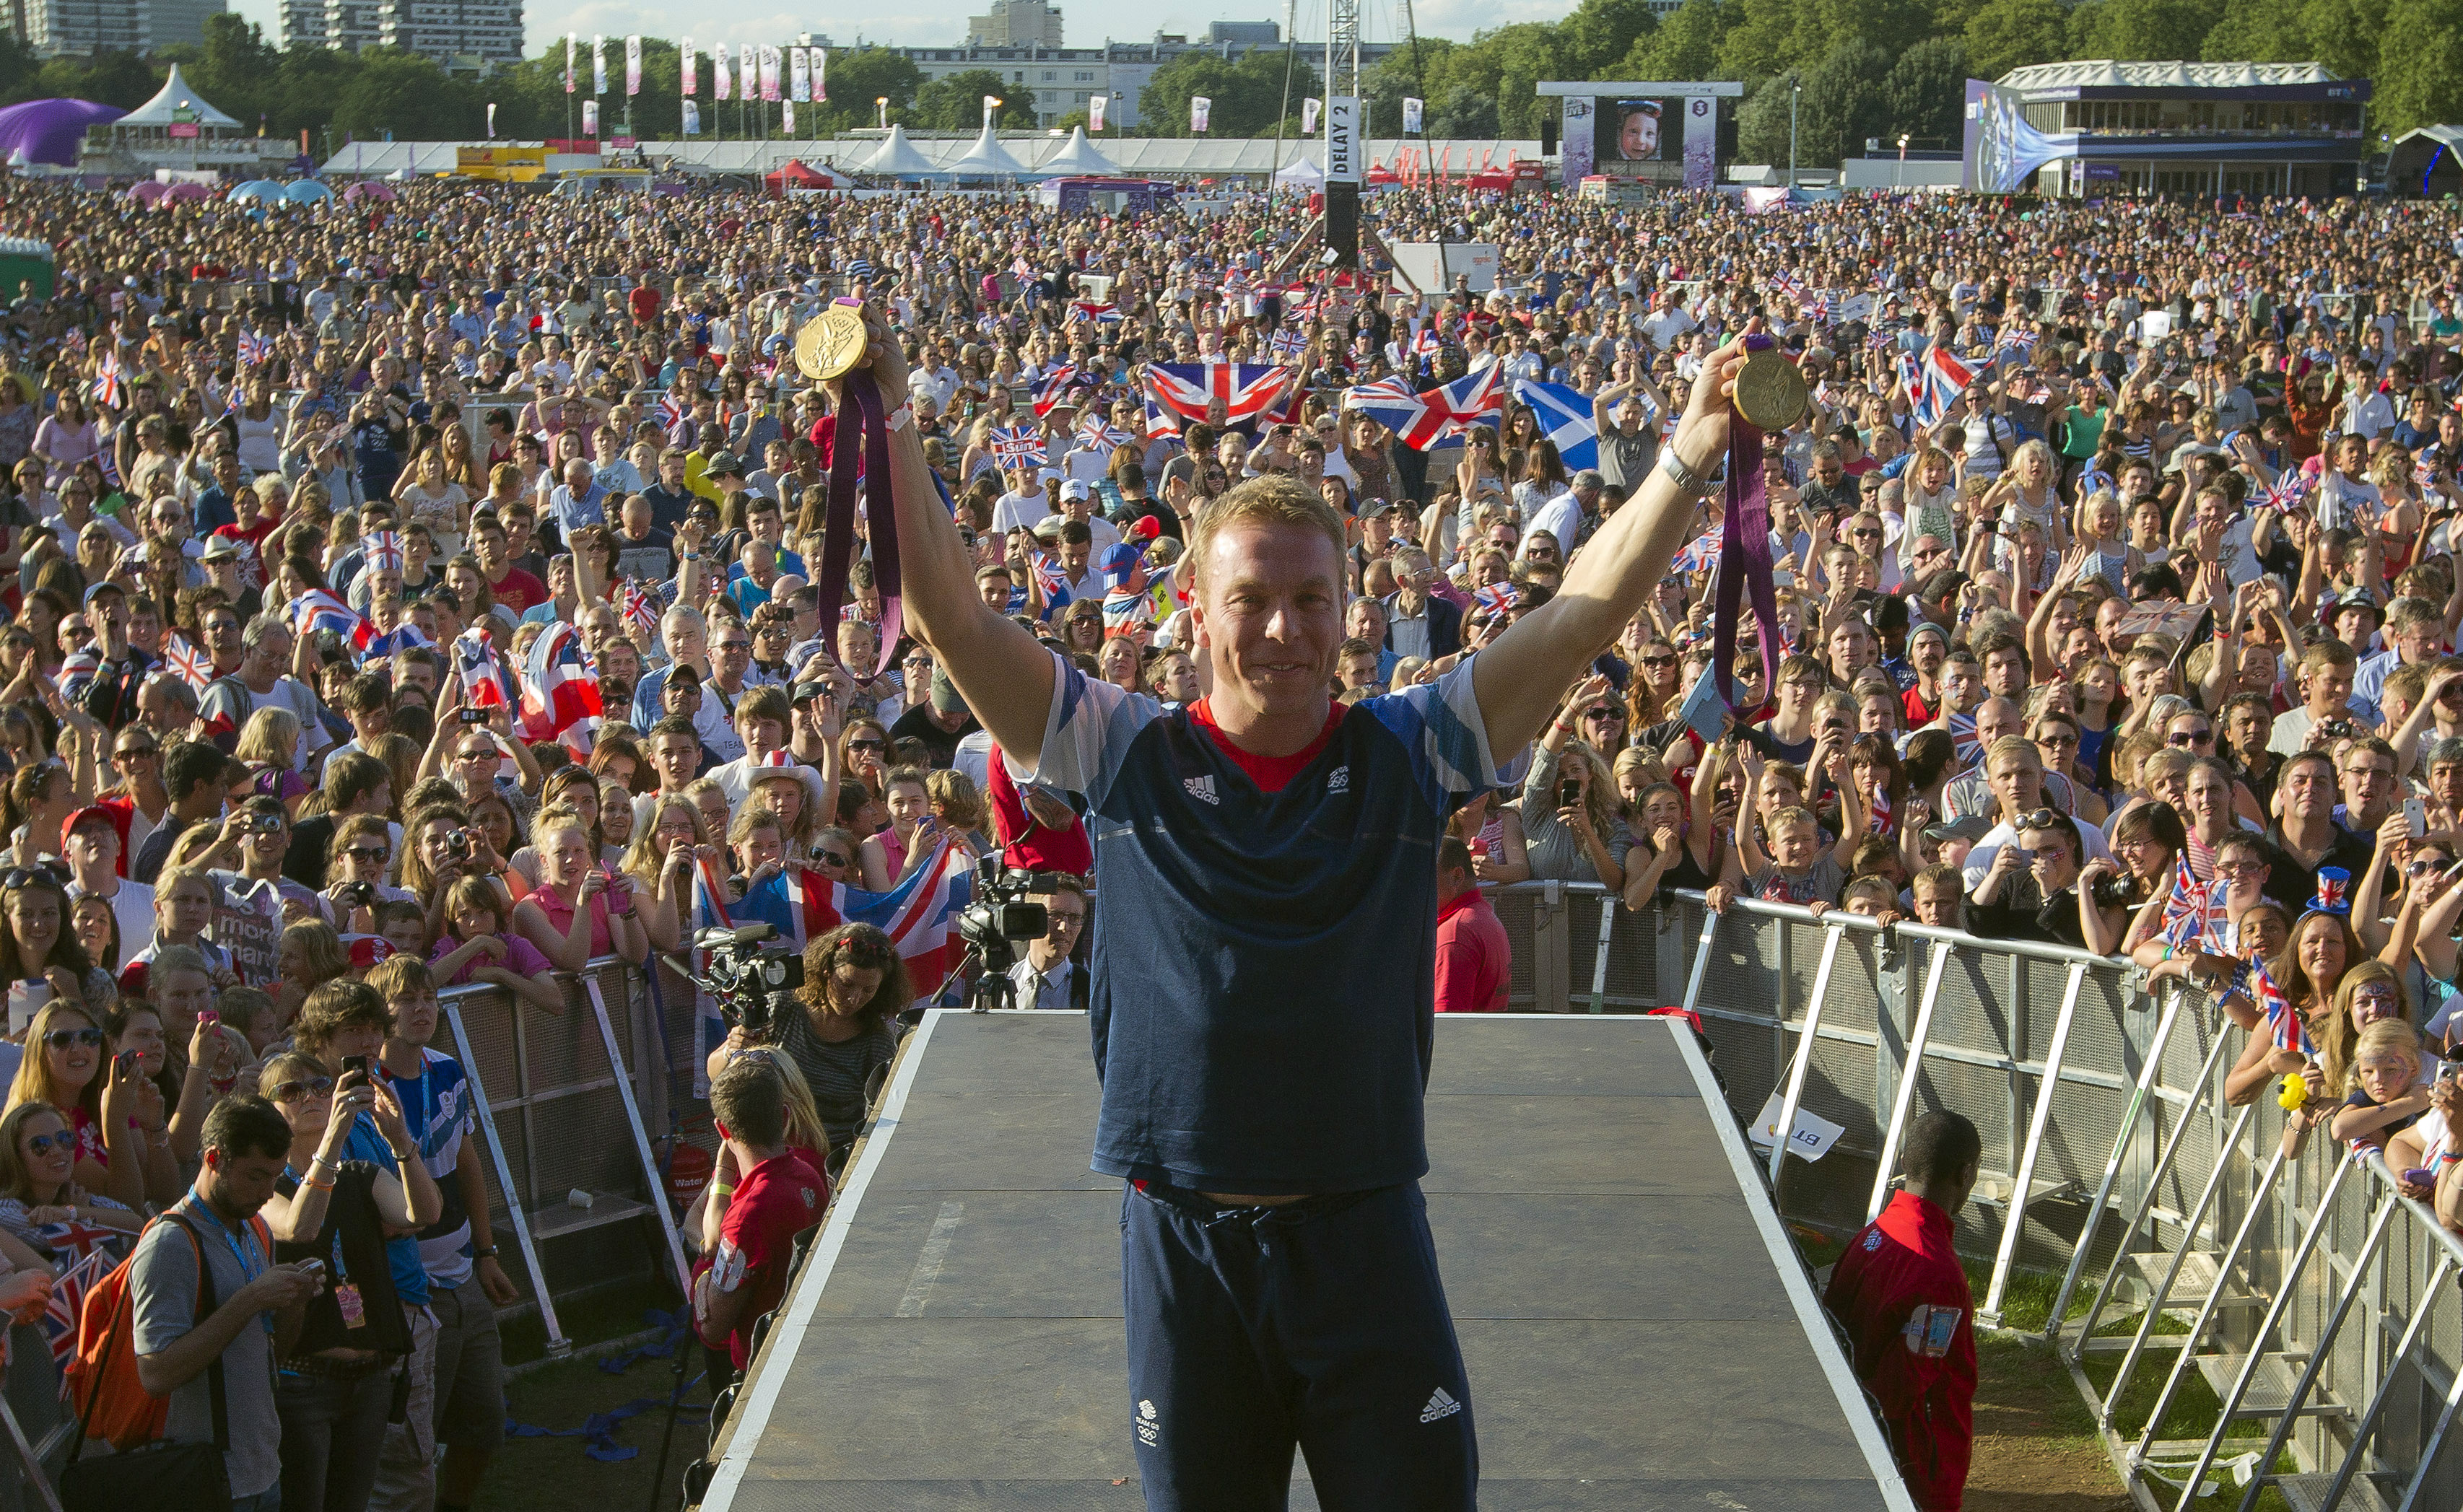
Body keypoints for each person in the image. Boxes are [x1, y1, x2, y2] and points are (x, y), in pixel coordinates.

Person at [863, 298, 1747, 1505]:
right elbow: (951, 613)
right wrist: (889, 413)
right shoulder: (1121, 750)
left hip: (1361, 1241)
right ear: (1195, 608)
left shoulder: (1410, 746)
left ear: (1349, 612)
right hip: (1184, 1251)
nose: (1282, 630)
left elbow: (1582, 611)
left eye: (1311, 602)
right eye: (1250, 600)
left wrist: (1690, 457)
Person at [258, 1048, 435, 1512]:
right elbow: (300, 1227)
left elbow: (424, 1214)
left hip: (371, 1377)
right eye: (292, 1091)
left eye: (320, 1086)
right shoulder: (264, 1187)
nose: (312, 1097)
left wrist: (400, 1142)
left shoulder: (360, 1175)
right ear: (268, 1110)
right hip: (304, 1382)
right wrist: (335, 1136)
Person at [131, 1095, 327, 1512]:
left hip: (261, 1471)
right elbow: (156, 1373)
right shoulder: (170, 1244)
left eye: (275, 1177)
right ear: (214, 1158)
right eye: (256, 1176)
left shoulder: (255, 1227)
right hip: (202, 1482)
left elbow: (271, 1357)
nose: (267, 1192)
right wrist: (251, 1300)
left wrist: (293, 1305)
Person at [1823, 1109, 1979, 1512]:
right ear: (1964, 1174)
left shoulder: (1874, 1234)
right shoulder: (1939, 1274)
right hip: (1913, 1467)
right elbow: (1905, 1386)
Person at [689, 1055, 825, 1386]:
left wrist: (703, 1279)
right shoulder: (809, 1177)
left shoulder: (745, 1219)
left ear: (723, 1129)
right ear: (784, 1116)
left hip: (761, 1373)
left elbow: (713, 1327)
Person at [1433, 837, 1509, 1012]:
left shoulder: (1455, 934)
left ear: (1457, 876)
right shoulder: (1482, 915)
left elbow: (1448, 1026)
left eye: (1426, 877)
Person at [1003, 875, 1090, 1011]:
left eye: (1075, 918)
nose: (1064, 927)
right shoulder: (1003, 979)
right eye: (1054, 915)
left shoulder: (1089, 989)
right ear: (1030, 917)